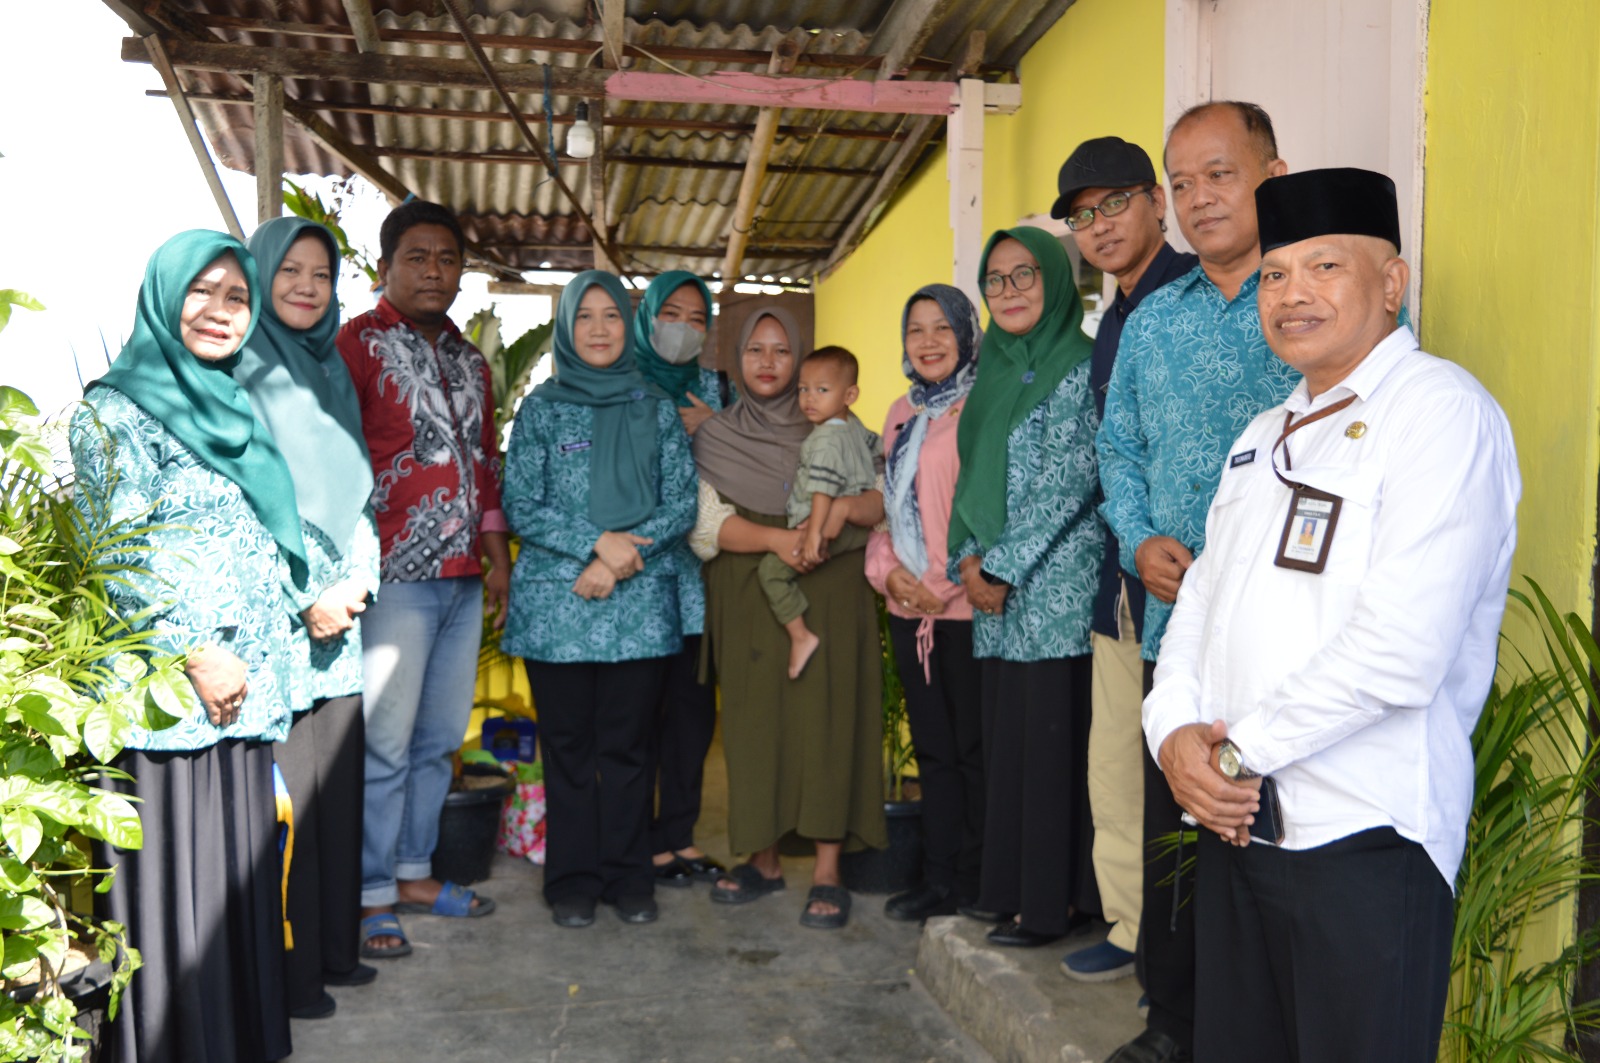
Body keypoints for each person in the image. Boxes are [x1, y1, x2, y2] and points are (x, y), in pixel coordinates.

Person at [1145, 167, 1519, 1063]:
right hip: (1243, 832)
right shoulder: (1259, 435)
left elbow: (1397, 652)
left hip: (1365, 846)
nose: (1293, 294)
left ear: (1391, 282)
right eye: (1275, 274)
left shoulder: (1439, 414)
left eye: (1324, 267)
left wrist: (1229, 754)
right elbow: (1201, 600)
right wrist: (1173, 737)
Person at [72, 230, 301, 1062]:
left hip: (245, 694)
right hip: (167, 696)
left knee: (233, 887)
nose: (219, 311)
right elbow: (115, 549)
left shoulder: (239, 401)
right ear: (164, 298)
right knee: (176, 888)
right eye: (200, 292)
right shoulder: (114, 409)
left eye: (236, 297)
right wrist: (197, 652)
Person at [1095, 101, 1292, 1063]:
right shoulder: (1152, 320)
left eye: (1220, 173)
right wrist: (1137, 538)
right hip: (1179, 629)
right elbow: (1116, 443)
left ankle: (1259, 1030)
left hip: (1292, 637)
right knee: (1177, 832)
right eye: (1182, 182)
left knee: (1270, 830)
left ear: (1272, 172)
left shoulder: (1314, 295)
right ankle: (1173, 1022)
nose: (1199, 198)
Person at [337, 201, 510, 960]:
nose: (433, 270)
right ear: (386, 267)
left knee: (439, 739)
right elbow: (336, 457)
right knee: (385, 740)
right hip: (393, 575)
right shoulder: (356, 345)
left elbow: (486, 462)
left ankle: (412, 871)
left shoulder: (473, 361)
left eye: (446, 258)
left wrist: (498, 554)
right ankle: (371, 889)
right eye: (417, 256)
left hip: (464, 576)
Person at [501, 270, 697, 928]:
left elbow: (681, 503)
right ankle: (574, 880)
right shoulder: (541, 409)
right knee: (568, 748)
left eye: (611, 315)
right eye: (583, 316)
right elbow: (521, 504)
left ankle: (628, 876)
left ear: (627, 324)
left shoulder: (656, 407)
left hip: (637, 607)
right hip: (558, 608)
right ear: (566, 326)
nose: (599, 329)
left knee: (628, 747)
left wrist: (616, 559)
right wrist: (595, 544)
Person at [1049, 137, 1197, 986]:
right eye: (1081, 214)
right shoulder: (1113, 318)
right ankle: (1131, 924)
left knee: (1174, 766)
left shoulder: (1191, 298)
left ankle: (1175, 954)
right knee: (1116, 761)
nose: (1099, 225)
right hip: (1119, 580)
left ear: (1154, 202)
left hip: (1181, 581)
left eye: (1114, 204)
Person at [690, 307, 887, 930]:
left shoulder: (842, 427)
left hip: (831, 577)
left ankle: (828, 869)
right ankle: (763, 858)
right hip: (747, 585)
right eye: (756, 350)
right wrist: (781, 542)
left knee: (828, 719)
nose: (769, 363)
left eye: (782, 351)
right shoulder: (715, 435)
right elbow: (706, 524)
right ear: (737, 359)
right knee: (753, 725)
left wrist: (831, 521)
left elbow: (883, 499)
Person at [237, 217, 381, 1019]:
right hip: (283, 627)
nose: (303, 285)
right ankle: (293, 975)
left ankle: (334, 950)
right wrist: (307, 595)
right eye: (288, 270)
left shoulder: (331, 371)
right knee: (288, 806)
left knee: (335, 794)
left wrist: (359, 578)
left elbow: (358, 490)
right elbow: (245, 503)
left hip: (344, 624)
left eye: (319, 274)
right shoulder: (242, 371)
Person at [949, 226, 1104, 949]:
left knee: (1050, 750)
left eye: (1025, 276)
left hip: (1054, 589)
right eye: (996, 280)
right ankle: (1008, 887)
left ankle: (1051, 906)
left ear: (1056, 281)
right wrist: (971, 562)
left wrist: (1002, 566)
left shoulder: (1078, 362)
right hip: (993, 590)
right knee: (1010, 743)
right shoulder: (994, 369)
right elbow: (973, 477)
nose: (1009, 292)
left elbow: (1069, 478)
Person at [865, 283, 986, 921]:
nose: (930, 342)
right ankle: (939, 879)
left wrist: (937, 586)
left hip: (963, 613)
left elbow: (985, 514)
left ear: (967, 334)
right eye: (917, 330)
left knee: (973, 754)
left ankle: (973, 880)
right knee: (934, 753)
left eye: (942, 328)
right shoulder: (899, 413)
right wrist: (888, 574)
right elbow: (888, 512)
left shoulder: (984, 407)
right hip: (908, 611)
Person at [631, 271, 729, 888]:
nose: (684, 329)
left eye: (698, 319)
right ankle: (638, 842)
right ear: (645, 317)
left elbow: (749, 466)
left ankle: (680, 839)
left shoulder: (718, 389)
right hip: (637, 582)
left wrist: (710, 429)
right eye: (672, 313)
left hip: (703, 587)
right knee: (636, 719)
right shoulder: (618, 387)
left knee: (692, 721)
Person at [756, 346, 880, 678]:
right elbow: (878, 447)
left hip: (829, 525)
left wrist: (813, 536)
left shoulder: (824, 438)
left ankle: (800, 636)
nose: (810, 399)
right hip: (857, 529)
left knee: (770, 572)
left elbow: (822, 489)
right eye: (803, 389)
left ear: (849, 394)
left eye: (822, 390)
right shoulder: (852, 426)